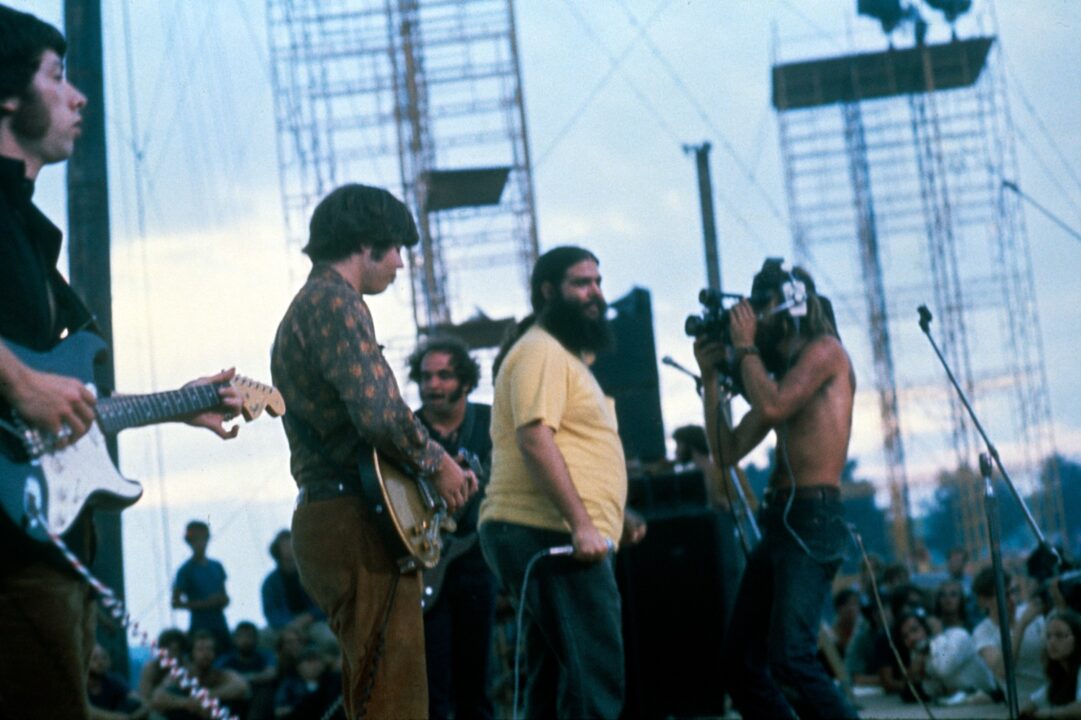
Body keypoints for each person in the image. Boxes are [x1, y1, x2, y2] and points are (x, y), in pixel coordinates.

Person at [0, 8, 242, 718]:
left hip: (46, 548)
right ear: (6, 92)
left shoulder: (27, 233)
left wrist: (173, 404)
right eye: (57, 75)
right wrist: (19, 382)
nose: (78, 97)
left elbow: (46, 404)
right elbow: (28, 389)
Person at [270, 183, 475, 719]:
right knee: (395, 700)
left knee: (374, 692)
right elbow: (380, 413)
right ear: (367, 244)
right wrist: (439, 462)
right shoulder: (335, 302)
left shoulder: (312, 305)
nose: (401, 265)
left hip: (337, 514)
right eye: (397, 250)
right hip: (352, 521)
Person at [693, 258, 858, 719]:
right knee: (739, 664)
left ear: (789, 306)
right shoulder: (778, 376)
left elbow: (776, 404)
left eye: (758, 309)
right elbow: (726, 452)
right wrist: (710, 380)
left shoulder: (826, 352)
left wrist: (744, 350)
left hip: (812, 516)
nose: (751, 321)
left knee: (792, 656)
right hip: (782, 521)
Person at [479, 245, 627, 719]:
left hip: (554, 528)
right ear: (549, 291)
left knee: (555, 679)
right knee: (594, 682)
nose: (596, 294)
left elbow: (575, 451)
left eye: (598, 282)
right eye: (581, 283)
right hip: (549, 531)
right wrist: (582, 525)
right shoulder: (540, 351)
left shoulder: (560, 356)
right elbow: (535, 440)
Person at [407, 336, 497, 720]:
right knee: (434, 691)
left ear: (465, 380)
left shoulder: (489, 422)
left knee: (476, 686)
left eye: (444, 376)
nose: (433, 385)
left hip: (476, 561)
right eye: (426, 377)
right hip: (424, 564)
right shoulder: (408, 428)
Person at [972, 566, 1048, 702]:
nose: (1013, 600)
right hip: (1025, 703)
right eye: (1004, 595)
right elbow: (1002, 670)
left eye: (1014, 592)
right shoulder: (983, 632)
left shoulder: (1032, 612)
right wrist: (1021, 625)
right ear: (984, 601)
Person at [894, 610, 998, 703]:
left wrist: (936, 635)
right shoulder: (921, 656)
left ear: (926, 628)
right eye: (905, 637)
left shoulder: (957, 636)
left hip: (992, 696)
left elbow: (944, 669)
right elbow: (928, 690)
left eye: (915, 630)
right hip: (965, 700)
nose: (911, 638)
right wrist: (917, 674)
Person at [150, 630, 249, 719]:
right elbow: (158, 697)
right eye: (200, 649)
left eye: (209, 649)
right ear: (192, 653)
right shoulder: (182, 675)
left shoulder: (221, 674)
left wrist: (204, 697)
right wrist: (187, 703)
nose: (205, 653)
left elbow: (241, 686)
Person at [172, 520, 231, 652]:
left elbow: (224, 596)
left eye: (203, 539)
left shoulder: (217, 566)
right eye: (196, 540)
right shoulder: (185, 570)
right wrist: (205, 603)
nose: (200, 543)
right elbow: (175, 603)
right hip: (199, 627)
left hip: (220, 625)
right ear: (189, 542)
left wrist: (223, 600)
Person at [260, 530, 328, 637]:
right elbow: (270, 612)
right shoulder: (270, 583)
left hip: (314, 623)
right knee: (263, 637)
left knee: (328, 639)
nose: (289, 547)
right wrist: (289, 625)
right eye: (285, 544)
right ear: (277, 550)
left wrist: (309, 617)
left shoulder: (312, 575)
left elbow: (325, 603)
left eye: (292, 542)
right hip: (284, 627)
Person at [1021, 610, 1081, 719]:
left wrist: (1051, 713)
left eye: (1059, 635)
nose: (1052, 642)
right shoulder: (1061, 674)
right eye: (1048, 636)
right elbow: (1033, 702)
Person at [87, 643, 149, 720]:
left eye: (104, 657)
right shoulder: (79, 686)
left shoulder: (113, 680)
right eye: (94, 658)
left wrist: (135, 715)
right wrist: (114, 717)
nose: (100, 662)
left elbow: (137, 699)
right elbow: (87, 710)